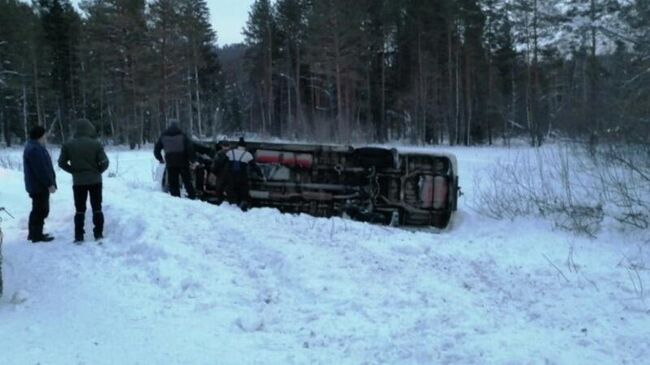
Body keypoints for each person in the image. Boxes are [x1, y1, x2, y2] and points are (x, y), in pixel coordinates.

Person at [58, 119, 109, 243]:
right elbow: (105, 162)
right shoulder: (96, 144)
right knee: (97, 207)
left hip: (78, 182)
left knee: (80, 209)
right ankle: (98, 234)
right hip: (95, 181)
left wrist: (73, 171)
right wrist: (98, 171)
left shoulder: (68, 145)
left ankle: (79, 236)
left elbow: (61, 163)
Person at [23, 126, 57, 243]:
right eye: (44, 135)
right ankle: (36, 235)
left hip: (37, 185)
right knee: (41, 210)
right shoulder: (35, 149)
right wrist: (49, 184)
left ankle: (35, 233)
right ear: (40, 136)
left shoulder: (35, 147)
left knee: (38, 209)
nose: (45, 137)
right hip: (38, 186)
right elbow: (40, 169)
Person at [153, 122, 196, 199]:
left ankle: (176, 198)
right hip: (183, 162)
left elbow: (156, 149)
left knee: (173, 182)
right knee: (187, 181)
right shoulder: (182, 136)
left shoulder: (163, 136)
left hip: (171, 163)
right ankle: (192, 196)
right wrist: (192, 160)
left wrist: (160, 159)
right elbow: (190, 148)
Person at [224, 137, 255, 210]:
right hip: (242, 177)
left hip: (231, 176)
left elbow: (223, 162)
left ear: (237, 146)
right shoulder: (248, 154)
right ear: (245, 147)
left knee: (232, 191)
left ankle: (232, 206)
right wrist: (261, 175)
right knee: (243, 191)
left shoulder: (230, 152)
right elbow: (254, 166)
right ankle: (242, 206)